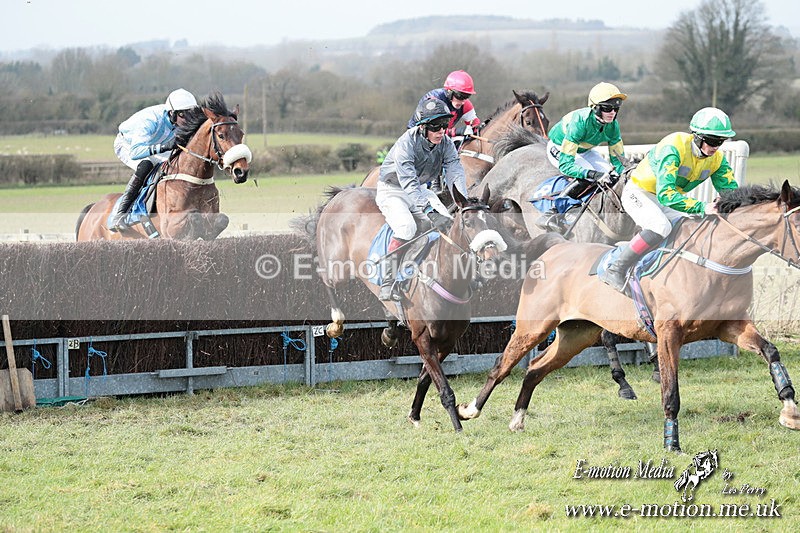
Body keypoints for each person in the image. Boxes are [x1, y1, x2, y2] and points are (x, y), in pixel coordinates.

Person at [599, 106, 739, 292]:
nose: (715, 147)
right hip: (639, 193)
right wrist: (702, 206)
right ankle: (616, 269)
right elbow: (666, 194)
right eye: (712, 140)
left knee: (692, 226)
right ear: (696, 136)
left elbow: (731, 191)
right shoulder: (674, 146)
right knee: (660, 227)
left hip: (666, 199)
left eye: (720, 141)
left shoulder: (717, 159)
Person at [377, 98, 469, 301]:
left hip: (418, 189)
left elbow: (455, 170)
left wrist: (464, 201)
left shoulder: (445, 143)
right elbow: (408, 183)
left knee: (450, 224)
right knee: (406, 228)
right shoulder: (406, 144)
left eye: (444, 126)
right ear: (422, 127)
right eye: (436, 127)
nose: (441, 131)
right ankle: (388, 280)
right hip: (393, 191)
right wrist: (429, 211)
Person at [536, 82, 628, 232]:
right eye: (607, 108)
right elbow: (566, 166)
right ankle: (552, 213)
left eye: (616, 108)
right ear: (595, 107)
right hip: (559, 147)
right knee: (588, 176)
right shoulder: (579, 122)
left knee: (611, 177)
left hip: (584, 150)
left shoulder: (613, 125)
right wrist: (592, 173)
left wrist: (625, 173)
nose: (612, 112)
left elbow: (618, 161)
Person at [108, 88, 199, 232]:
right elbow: (135, 152)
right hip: (128, 145)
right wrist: (163, 147)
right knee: (146, 165)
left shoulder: (179, 120)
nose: (188, 120)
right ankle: (120, 214)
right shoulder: (150, 120)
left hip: (156, 144)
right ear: (172, 113)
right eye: (184, 115)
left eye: (191, 115)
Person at [407, 70, 480, 192]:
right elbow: (433, 131)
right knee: (436, 146)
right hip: (421, 134)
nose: (462, 101)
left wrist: (475, 127)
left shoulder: (464, 104)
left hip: (440, 135)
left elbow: (475, 122)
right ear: (449, 91)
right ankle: (432, 182)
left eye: (466, 97)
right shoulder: (434, 100)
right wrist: (459, 131)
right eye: (460, 96)